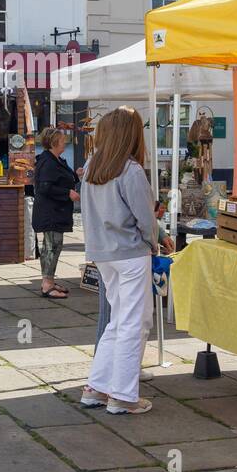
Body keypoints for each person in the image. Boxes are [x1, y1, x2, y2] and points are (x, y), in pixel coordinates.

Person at [80, 106, 157, 416]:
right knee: (133, 323)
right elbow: (145, 217)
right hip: (130, 253)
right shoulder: (131, 170)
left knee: (117, 321)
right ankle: (123, 395)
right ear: (131, 134)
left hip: (103, 254)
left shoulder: (90, 168)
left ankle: (96, 387)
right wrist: (154, 242)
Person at [32, 127, 80, 300]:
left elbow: (62, 178)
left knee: (51, 247)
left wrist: (77, 175)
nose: (65, 143)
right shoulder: (48, 162)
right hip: (50, 213)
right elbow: (45, 187)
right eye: (62, 140)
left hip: (55, 212)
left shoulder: (55, 159)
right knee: (52, 247)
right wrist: (68, 193)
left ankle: (49, 281)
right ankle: (47, 285)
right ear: (54, 143)